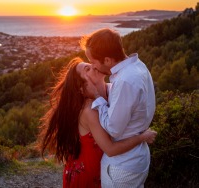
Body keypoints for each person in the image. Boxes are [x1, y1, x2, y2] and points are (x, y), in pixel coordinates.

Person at [39, 57, 157, 188]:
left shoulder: (113, 89)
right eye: (87, 69)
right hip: (88, 175)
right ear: (82, 87)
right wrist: (141, 137)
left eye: (90, 63)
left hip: (107, 168)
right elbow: (110, 149)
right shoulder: (89, 111)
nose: (93, 66)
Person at [80, 28, 156, 188]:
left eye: (93, 62)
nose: (92, 66)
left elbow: (113, 129)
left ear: (107, 60)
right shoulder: (138, 67)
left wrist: (97, 97)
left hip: (123, 165)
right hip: (135, 157)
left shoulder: (125, 81)